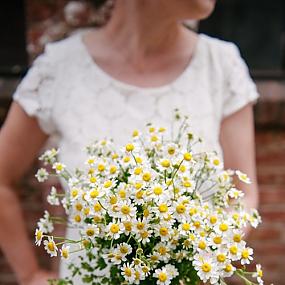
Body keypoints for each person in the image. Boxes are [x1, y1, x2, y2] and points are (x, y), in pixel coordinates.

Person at [0, 0, 260, 284]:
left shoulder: (220, 65)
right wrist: (29, 275)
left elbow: (242, 195)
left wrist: (203, 251)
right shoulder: (58, 70)